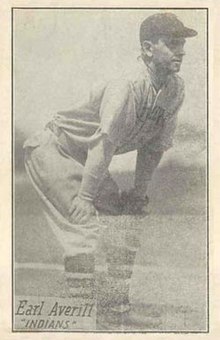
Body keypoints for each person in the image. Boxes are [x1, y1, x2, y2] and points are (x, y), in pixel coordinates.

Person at [24, 12, 197, 328]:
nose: (181, 50)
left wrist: (138, 194)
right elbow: (102, 145)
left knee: (126, 221)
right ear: (147, 49)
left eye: (182, 44)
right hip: (55, 150)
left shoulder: (174, 90)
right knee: (83, 223)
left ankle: (115, 310)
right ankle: (82, 319)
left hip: (87, 157)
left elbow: (153, 148)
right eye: (172, 43)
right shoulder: (126, 86)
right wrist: (86, 197)